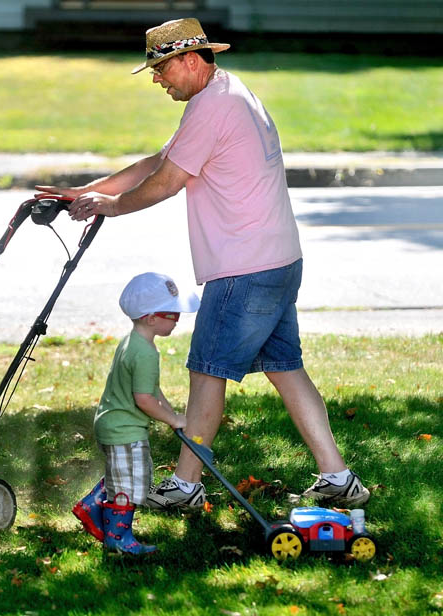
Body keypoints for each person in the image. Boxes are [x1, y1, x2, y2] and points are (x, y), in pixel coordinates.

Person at [38, 18, 369, 511]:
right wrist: (91, 191)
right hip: (278, 260)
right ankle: (337, 476)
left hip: (243, 269)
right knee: (286, 367)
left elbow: (167, 181)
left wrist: (107, 208)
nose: (157, 80)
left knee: (206, 371)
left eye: (161, 69)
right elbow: (161, 159)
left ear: (191, 60)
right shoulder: (228, 92)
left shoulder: (212, 107)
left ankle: (187, 485)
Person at [72, 271, 199, 555]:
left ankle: (91, 507)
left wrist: (172, 413)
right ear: (151, 318)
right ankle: (118, 539)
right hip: (124, 430)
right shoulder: (145, 354)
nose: (177, 321)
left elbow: (152, 389)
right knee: (129, 485)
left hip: (114, 424)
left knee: (127, 476)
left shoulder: (134, 342)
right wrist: (171, 418)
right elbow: (143, 399)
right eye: (174, 315)